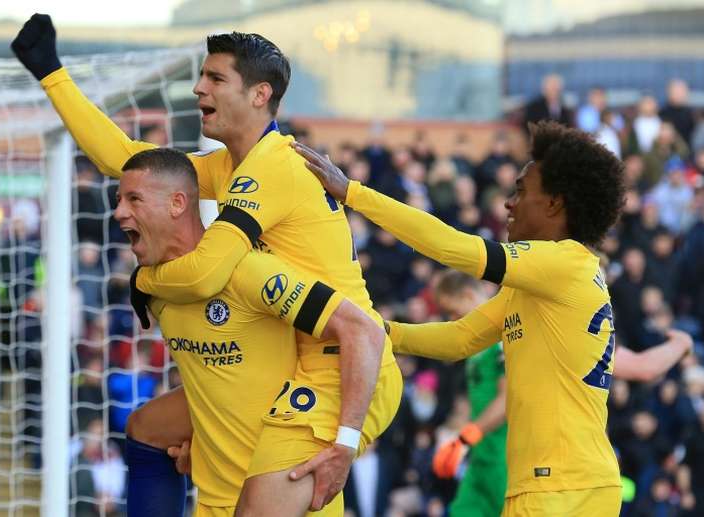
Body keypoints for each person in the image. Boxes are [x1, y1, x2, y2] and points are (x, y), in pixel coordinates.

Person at [11, 15, 402, 515]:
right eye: (202, 76)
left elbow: (206, 274)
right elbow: (128, 161)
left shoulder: (273, 167)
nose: (199, 88)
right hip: (296, 352)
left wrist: (146, 279)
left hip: (339, 365)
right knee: (149, 431)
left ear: (259, 95)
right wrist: (52, 73)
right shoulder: (228, 165)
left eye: (215, 78)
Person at [294, 120, 626, 516]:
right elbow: (459, 339)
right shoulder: (545, 281)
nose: (508, 204)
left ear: (554, 203)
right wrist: (374, 330)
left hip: (561, 486)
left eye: (521, 191)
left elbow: (453, 247)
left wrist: (353, 193)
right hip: (565, 482)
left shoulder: (563, 263)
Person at [116, 148, 385, 516]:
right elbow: (218, 382)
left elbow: (363, 330)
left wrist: (346, 444)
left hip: (285, 499)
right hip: (214, 502)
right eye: (118, 200)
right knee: (144, 430)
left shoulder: (248, 272)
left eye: (134, 199)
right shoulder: (157, 290)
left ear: (177, 203)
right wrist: (202, 437)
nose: (119, 212)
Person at [423, 270, 694, 517]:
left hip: (530, 462)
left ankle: (682, 343)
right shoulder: (499, 330)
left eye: (452, 312)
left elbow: (507, 399)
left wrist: (466, 436)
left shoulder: (528, 328)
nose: (452, 320)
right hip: (494, 460)